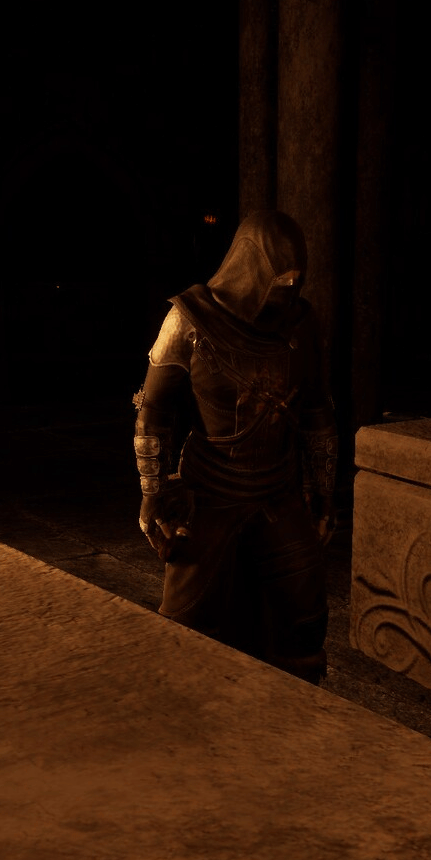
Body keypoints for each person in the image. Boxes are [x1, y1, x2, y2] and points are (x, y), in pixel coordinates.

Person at [133, 211, 338, 684]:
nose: (288, 292)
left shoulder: (301, 324)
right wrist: (153, 493)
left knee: (304, 620)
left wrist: (323, 490)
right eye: (280, 281)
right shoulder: (188, 319)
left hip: (278, 490)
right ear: (252, 268)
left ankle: (295, 710)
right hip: (211, 492)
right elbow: (154, 412)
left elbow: (316, 410)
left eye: (296, 281)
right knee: (185, 626)